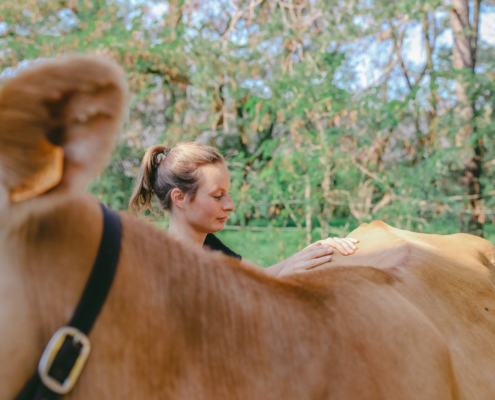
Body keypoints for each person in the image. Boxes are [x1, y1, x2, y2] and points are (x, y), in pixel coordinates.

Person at [128, 141, 358, 277]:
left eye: (228, 193)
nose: (230, 205)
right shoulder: (164, 268)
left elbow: (263, 275)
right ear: (179, 197)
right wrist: (285, 280)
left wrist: (315, 251)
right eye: (218, 196)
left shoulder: (207, 245)